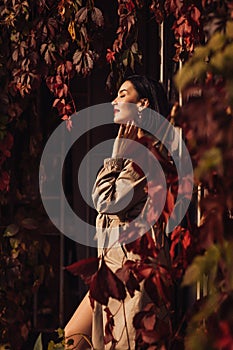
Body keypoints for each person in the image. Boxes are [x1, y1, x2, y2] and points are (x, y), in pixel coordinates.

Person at [64, 75, 172, 350]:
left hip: (131, 272)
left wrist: (115, 157)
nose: (114, 101)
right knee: (70, 338)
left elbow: (108, 201)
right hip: (109, 270)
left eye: (123, 94)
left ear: (143, 104)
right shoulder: (130, 150)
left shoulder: (150, 152)